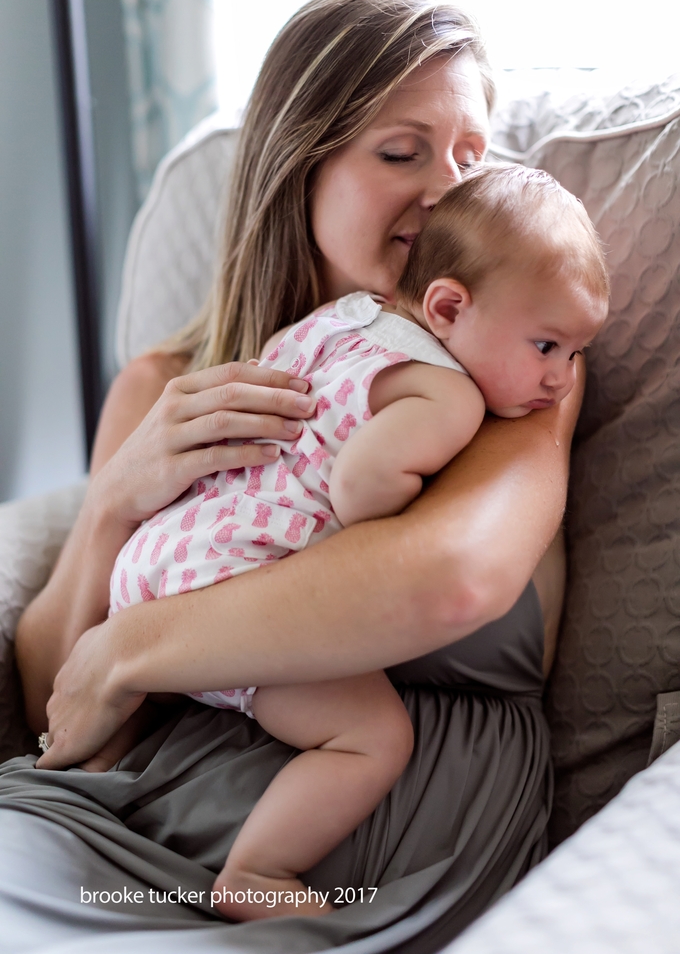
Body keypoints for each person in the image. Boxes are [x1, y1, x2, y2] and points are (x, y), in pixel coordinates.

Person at [5, 0, 584, 953]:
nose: (444, 187)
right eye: (400, 151)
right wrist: (111, 506)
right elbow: (48, 710)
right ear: (297, 166)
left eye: (472, 159)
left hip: (353, 864)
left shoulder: (513, 367)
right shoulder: (164, 383)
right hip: (103, 825)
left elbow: (451, 578)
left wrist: (131, 643)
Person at [103, 164, 608, 922]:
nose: (564, 377)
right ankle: (259, 869)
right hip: (225, 586)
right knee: (372, 736)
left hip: (166, 556)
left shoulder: (344, 319)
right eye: (547, 346)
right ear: (448, 305)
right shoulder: (448, 395)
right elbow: (362, 483)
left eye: (573, 351)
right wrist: (403, 508)